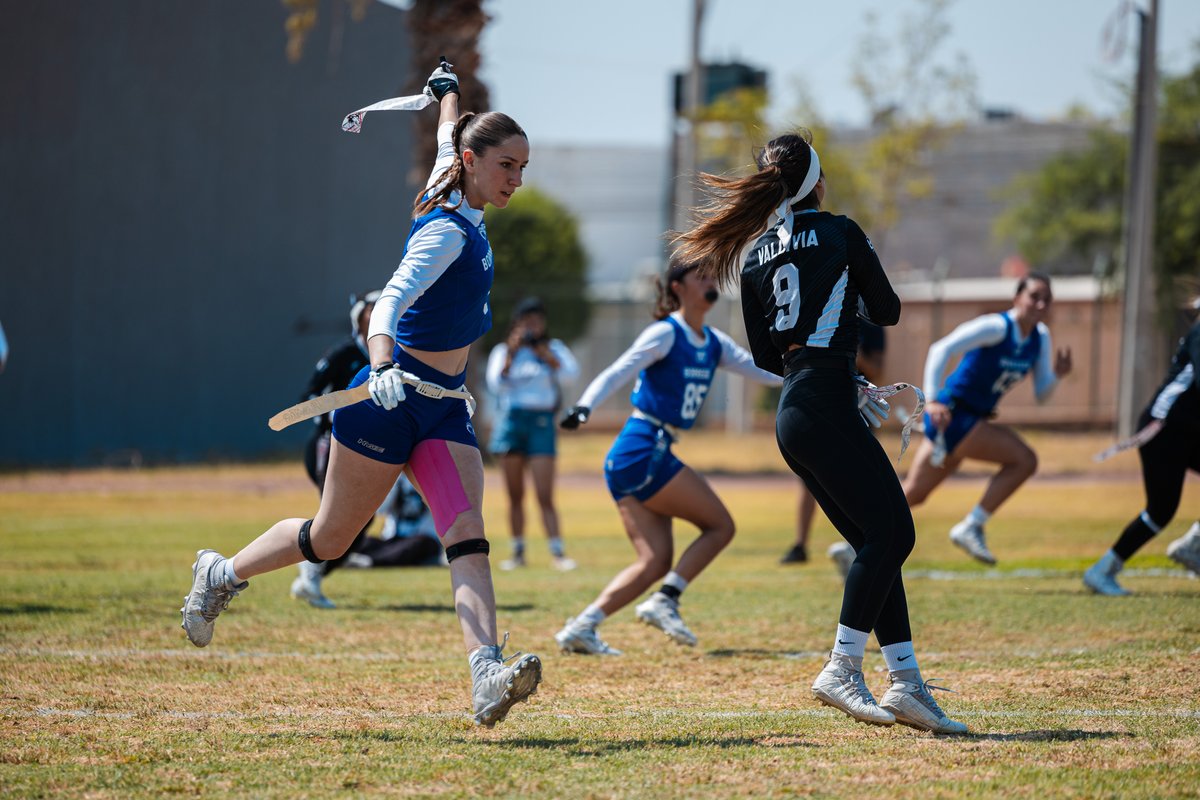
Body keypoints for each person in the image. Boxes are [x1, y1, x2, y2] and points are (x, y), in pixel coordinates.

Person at [179, 60, 542, 728]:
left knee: (467, 536)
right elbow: (388, 305)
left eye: (523, 167)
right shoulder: (443, 232)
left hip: (441, 409)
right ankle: (221, 574)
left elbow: (443, 136)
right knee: (329, 538)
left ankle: (486, 674)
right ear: (473, 161)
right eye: (508, 167)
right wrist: (379, 367)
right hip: (389, 396)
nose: (517, 180)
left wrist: (447, 90)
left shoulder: (452, 180)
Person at [675, 129, 966, 733]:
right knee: (893, 534)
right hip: (826, 401)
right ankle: (842, 667)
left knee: (877, 542)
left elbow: (765, 353)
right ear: (817, 181)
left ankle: (907, 683)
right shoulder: (839, 231)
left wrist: (833, 364)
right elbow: (886, 310)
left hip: (796, 409)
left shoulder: (755, 256)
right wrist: (841, 324)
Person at [553, 259, 784, 655]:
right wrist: (584, 407)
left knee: (656, 561)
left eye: (714, 277)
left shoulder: (713, 342)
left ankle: (581, 627)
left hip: (636, 456)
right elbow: (617, 370)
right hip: (643, 447)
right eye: (702, 277)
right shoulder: (666, 333)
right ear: (677, 287)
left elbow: (765, 371)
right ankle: (666, 600)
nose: (711, 283)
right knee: (720, 526)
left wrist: (819, 374)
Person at [903, 273, 1072, 565]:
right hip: (952, 414)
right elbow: (940, 349)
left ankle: (855, 543)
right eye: (1034, 296)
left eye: (1047, 299)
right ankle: (972, 525)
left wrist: (1057, 375)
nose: (1041, 304)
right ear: (1017, 297)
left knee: (913, 495)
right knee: (1024, 460)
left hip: (961, 422)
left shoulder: (1040, 337)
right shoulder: (996, 326)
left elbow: (1042, 395)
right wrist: (930, 400)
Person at [1084, 312, 1200, 595]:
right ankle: (1102, 572)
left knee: (1160, 511)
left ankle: (1193, 544)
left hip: (1185, 430)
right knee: (1160, 511)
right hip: (1165, 429)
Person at [289, 290, 378, 609]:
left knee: (362, 521)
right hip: (331, 444)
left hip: (368, 450)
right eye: (374, 311)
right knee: (336, 516)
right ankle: (309, 575)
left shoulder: (396, 356)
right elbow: (308, 397)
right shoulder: (343, 355)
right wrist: (342, 409)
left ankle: (314, 572)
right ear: (359, 320)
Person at [781, 320, 887, 575]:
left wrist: (850, 352)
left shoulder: (871, 325)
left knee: (860, 483)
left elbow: (877, 371)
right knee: (811, 479)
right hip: (817, 406)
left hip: (855, 410)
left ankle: (859, 548)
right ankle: (801, 544)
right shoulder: (821, 313)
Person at [485, 296, 580, 571]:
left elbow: (570, 376)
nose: (533, 326)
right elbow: (495, 384)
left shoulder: (554, 349)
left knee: (544, 492)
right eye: (527, 321)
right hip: (512, 421)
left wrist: (545, 355)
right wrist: (512, 355)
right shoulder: (504, 351)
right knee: (514, 494)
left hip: (541, 422)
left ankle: (558, 552)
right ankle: (517, 552)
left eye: (537, 320)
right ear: (517, 324)